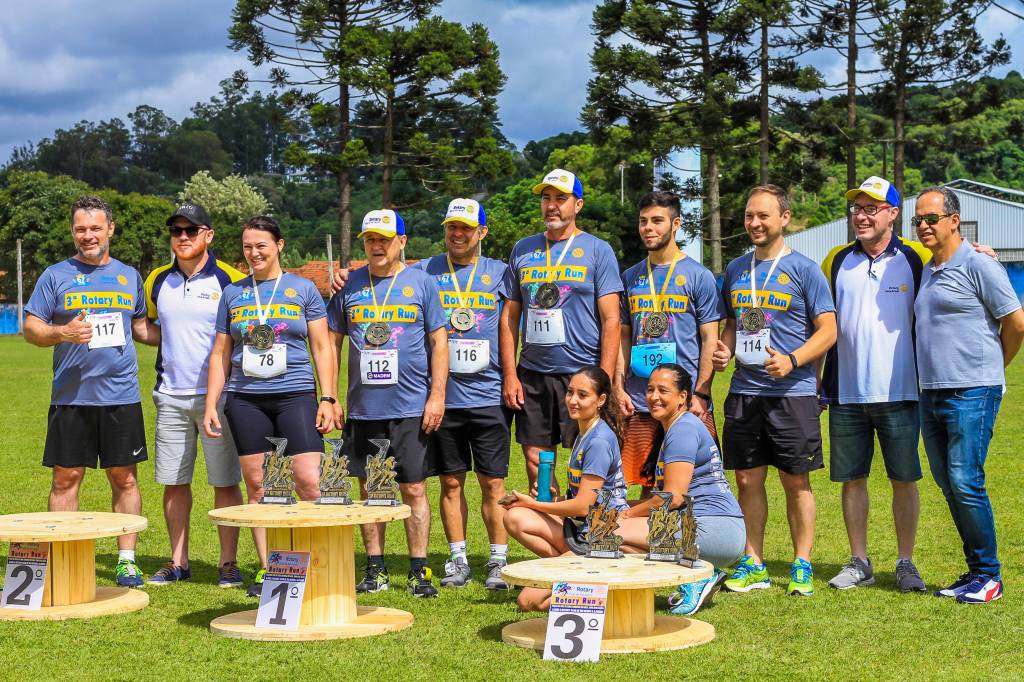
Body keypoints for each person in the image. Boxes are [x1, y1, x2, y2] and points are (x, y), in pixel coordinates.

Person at [203, 215, 339, 598]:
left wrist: (328, 397)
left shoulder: (303, 289)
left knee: (309, 479)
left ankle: (319, 561)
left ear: (279, 245)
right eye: (247, 246)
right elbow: (221, 353)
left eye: (261, 245)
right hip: (245, 399)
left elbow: (322, 347)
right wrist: (212, 403)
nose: (254, 253)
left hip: (295, 394)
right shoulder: (233, 293)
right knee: (260, 486)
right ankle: (273, 570)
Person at [712, 184, 837, 597]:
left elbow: (829, 330)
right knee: (747, 480)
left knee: (795, 481)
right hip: (745, 391)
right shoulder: (735, 269)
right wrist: (724, 350)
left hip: (792, 393)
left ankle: (802, 563)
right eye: (749, 216)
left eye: (763, 216)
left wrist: (793, 360)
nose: (755, 223)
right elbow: (734, 324)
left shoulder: (805, 269)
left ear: (784, 218)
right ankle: (754, 563)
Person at [24, 195, 153, 587]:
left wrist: (190, 338)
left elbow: (140, 328)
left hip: (121, 396)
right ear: (72, 231)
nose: (88, 235)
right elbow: (31, 328)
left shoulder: (129, 276)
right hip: (71, 398)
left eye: (95, 227)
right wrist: (62, 332)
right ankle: (64, 557)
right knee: (66, 479)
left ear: (110, 228)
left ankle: (126, 560)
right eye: (80, 229)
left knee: (124, 478)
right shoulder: (55, 275)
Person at [328, 209, 448, 598]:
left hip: (410, 407)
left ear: (402, 241)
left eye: (384, 239)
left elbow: (439, 341)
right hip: (365, 409)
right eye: (370, 240)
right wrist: (330, 396)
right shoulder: (349, 285)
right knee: (370, 490)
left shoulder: (422, 283)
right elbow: (331, 342)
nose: (377, 246)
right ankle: (376, 569)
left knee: (414, 488)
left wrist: (437, 395)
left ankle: (418, 570)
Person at [913, 186, 1024, 604]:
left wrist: (994, 367)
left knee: (965, 480)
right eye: (918, 220)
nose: (924, 226)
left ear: (954, 221)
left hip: (972, 392)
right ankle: (976, 571)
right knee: (949, 483)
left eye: (931, 219)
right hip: (931, 393)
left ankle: (989, 576)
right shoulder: (928, 268)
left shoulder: (979, 263)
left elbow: (1016, 322)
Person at [819, 177, 929, 592]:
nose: (861, 216)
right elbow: (822, 323)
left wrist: (982, 250)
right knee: (853, 479)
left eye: (871, 208)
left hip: (902, 391)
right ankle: (859, 561)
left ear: (893, 214)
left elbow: (955, 256)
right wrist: (816, 383)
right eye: (857, 209)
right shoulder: (835, 259)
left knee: (904, 479)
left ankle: (906, 562)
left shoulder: (916, 257)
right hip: (846, 392)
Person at [136, 203, 248, 588]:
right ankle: (178, 562)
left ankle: (228, 563)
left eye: (191, 230)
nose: (182, 237)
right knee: (174, 481)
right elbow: (146, 326)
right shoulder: (156, 280)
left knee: (225, 482)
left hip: (218, 398)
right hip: (170, 396)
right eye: (176, 230)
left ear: (208, 235)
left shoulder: (231, 280)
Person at [500, 169, 623, 495]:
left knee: (590, 458)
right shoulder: (523, 250)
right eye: (546, 198)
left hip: (581, 373)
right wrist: (510, 375)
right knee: (536, 462)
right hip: (534, 374)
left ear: (578, 205)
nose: (552, 205)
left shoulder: (598, 250)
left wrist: (603, 379)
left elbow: (611, 320)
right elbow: (510, 317)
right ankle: (551, 519)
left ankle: (584, 521)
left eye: (560, 198)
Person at [412, 199, 512, 590]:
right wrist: (343, 279)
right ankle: (458, 559)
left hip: (489, 396)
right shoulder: (423, 270)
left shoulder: (501, 273)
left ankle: (498, 561)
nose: (457, 234)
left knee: (493, 484)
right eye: (452, 227)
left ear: (482, 232)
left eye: (466, 228)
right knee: (450, 483)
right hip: (443, 399)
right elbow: (385, 281)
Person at [616, 191, 725, 489]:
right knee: (644, 484)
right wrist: (618, 387)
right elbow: (623, 338)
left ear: (676, 224)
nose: (648, 228)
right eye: (643, 221)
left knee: (693, 485)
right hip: (640, 400)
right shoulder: (630, 278)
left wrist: (701, 394)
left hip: (685, 402)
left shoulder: (699, 276)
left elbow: (710, 339)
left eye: (657, 221)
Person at [616, 363, 744, 615]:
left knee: (613, 529)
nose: (653, 397)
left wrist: (626, 514)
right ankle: (694, 574)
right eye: (650, 389)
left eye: (663, 390)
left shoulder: (682, 430)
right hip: (714, 527)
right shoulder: (676, 426)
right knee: (620, 542)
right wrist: (624, 507)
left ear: (683, 397)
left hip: (713, 530)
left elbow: (673, 498)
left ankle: (697, 574)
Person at [502, 366, 628, 612]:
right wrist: (555, 500)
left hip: (601, 537)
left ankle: (601, 591)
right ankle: (577, 572)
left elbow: (583, 506)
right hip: (582, 529)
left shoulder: (599, 440)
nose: (572, 400)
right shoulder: (583, 431)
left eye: (582, 395)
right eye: (570, 392)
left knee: (529, 600)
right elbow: (582, 501)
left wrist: (533, 503)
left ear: (601, 400)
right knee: (515, 517)